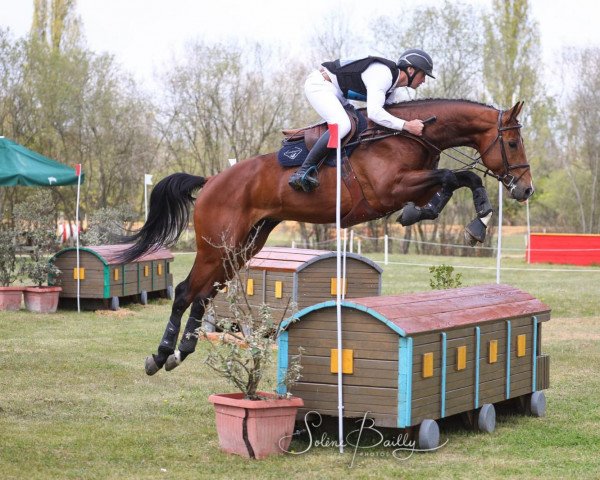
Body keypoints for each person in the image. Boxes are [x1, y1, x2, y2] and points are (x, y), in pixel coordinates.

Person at [288, 49, 435, 192]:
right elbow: (375, 113)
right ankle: (303, 170)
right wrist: (407, 126)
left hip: (337, 92)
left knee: (360, 123)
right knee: (342, 125)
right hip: (320, 85)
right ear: (411, 70)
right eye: (423, 74)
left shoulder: (392, 89)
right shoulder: (383, 74)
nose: (424, 80)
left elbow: (388, 115)